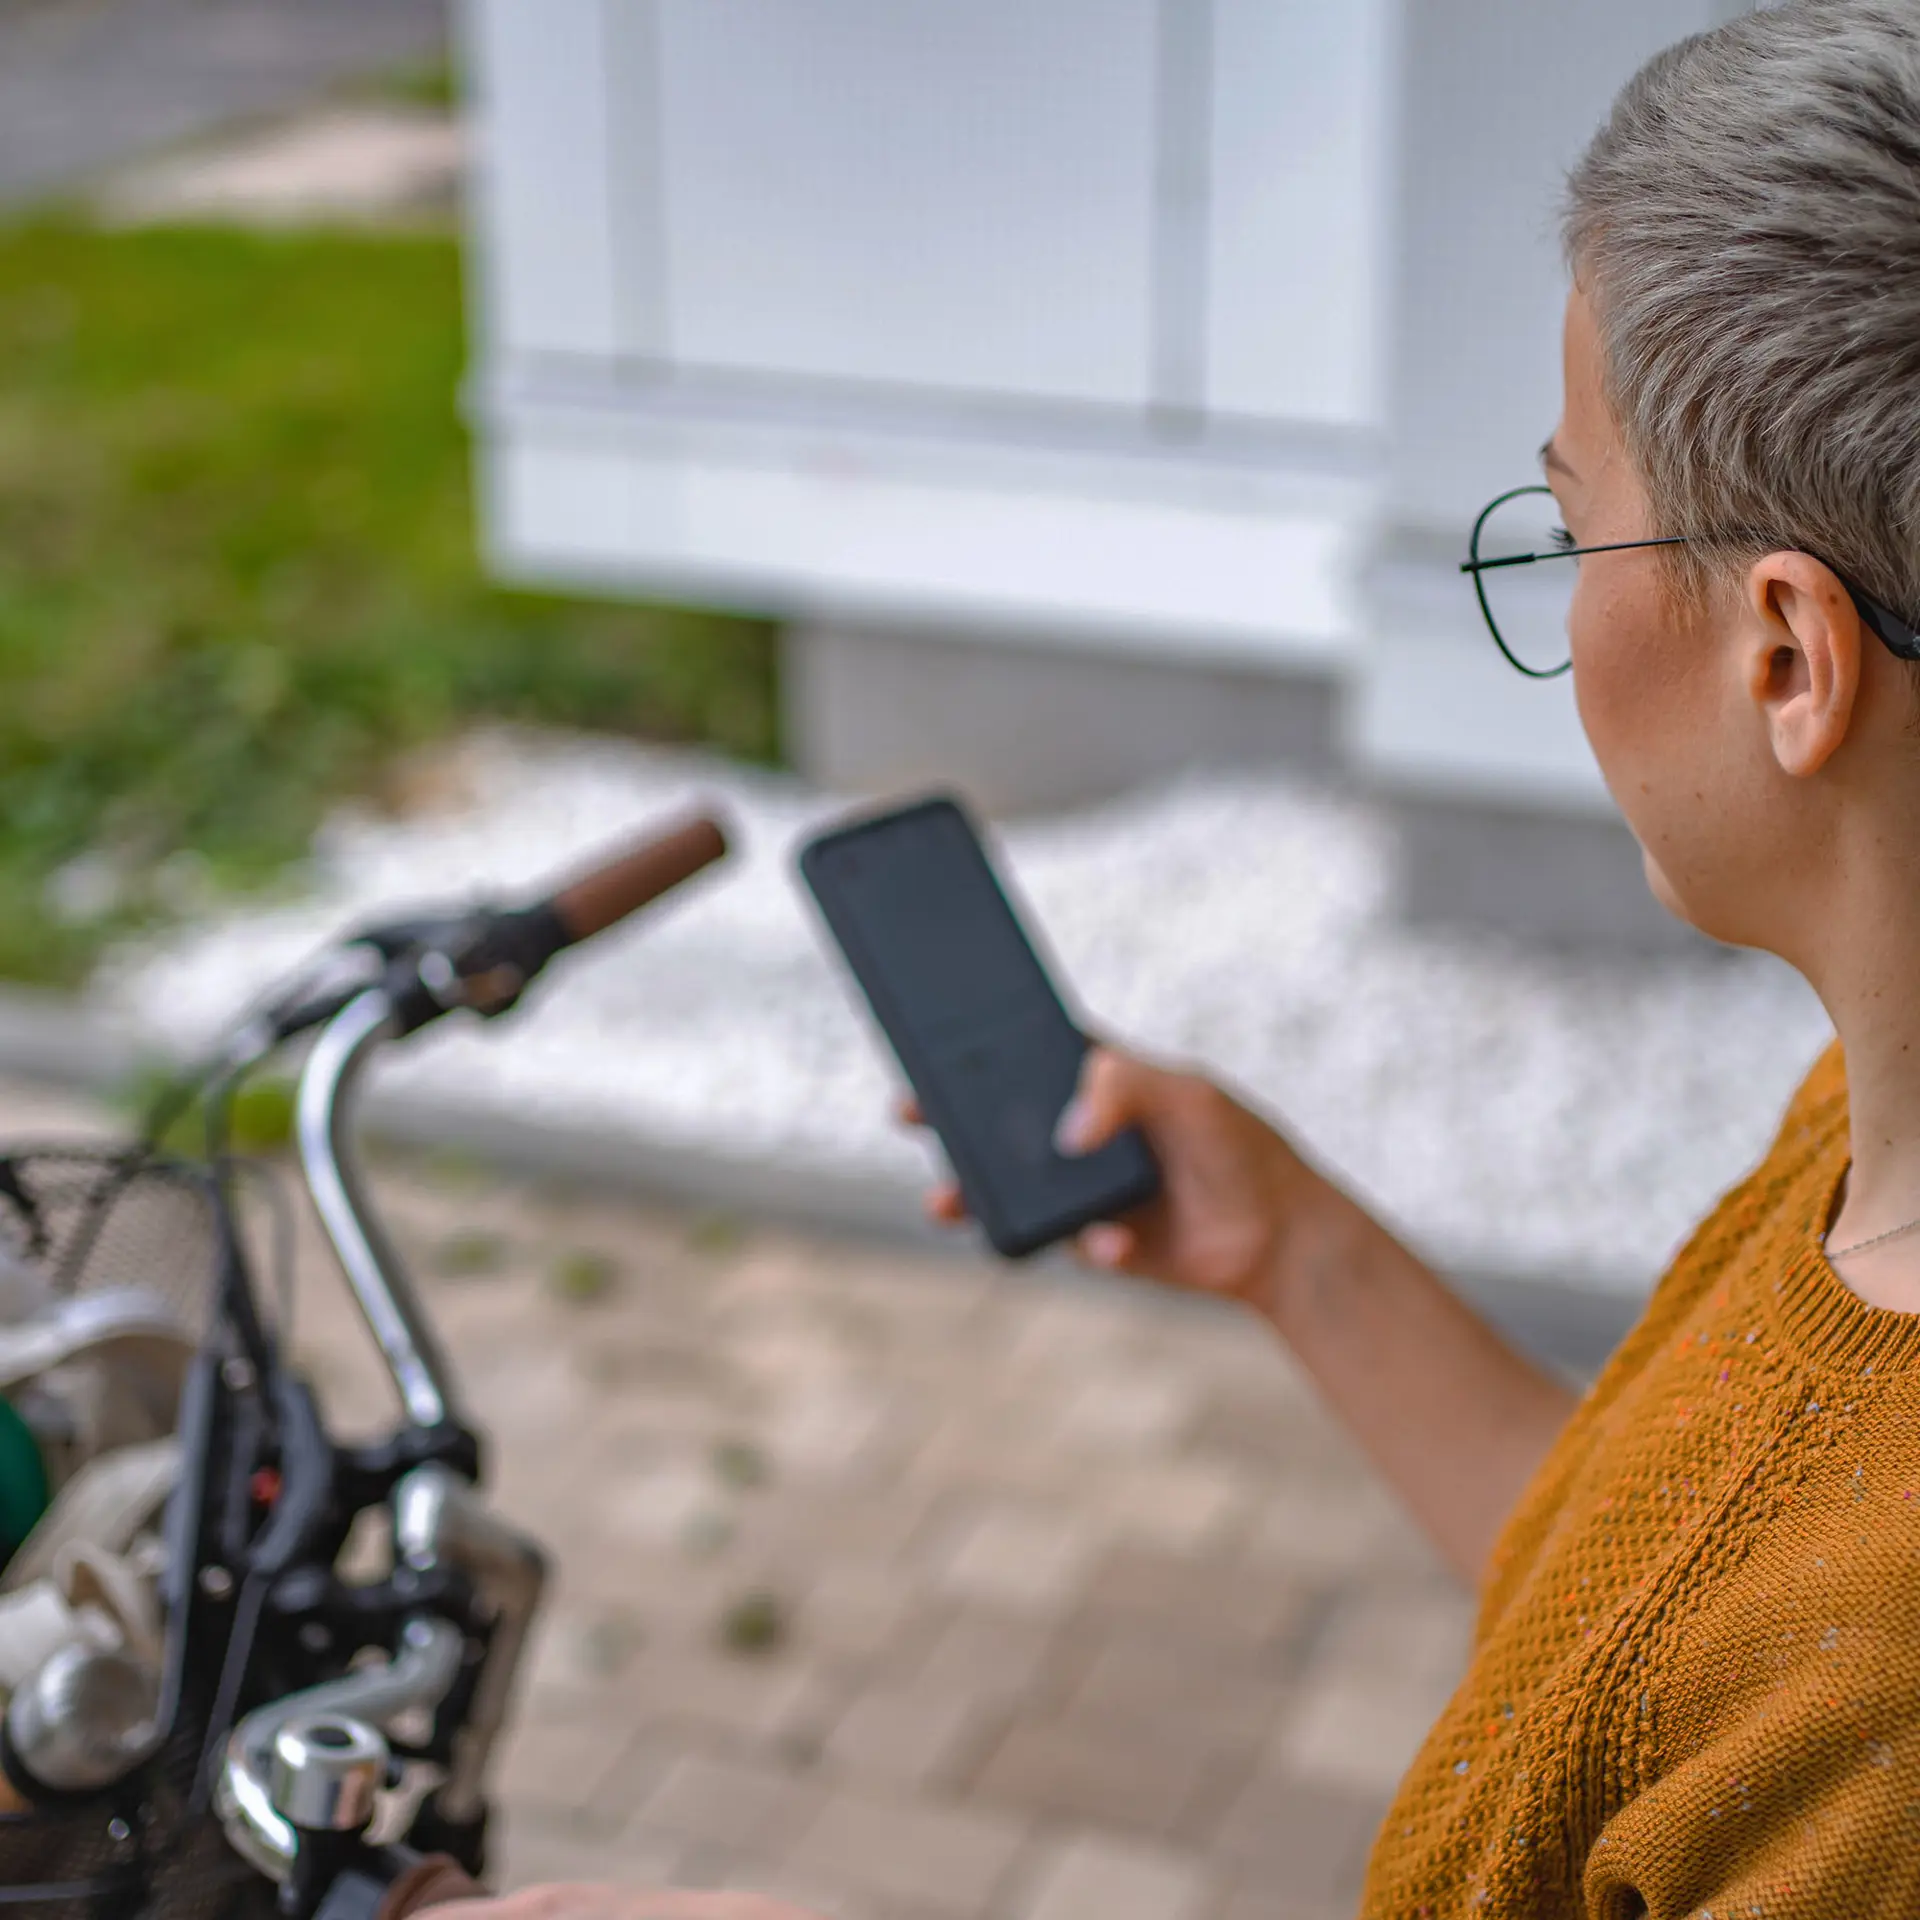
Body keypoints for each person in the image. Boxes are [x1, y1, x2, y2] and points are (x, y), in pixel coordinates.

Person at [445, 3, 1920, 1915]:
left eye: (1572, 531)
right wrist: (1294, 1249)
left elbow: (1788, 1663)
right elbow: (1646, 1657)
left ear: (1787, 659)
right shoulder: (1867, 1123)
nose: (1560, 607)